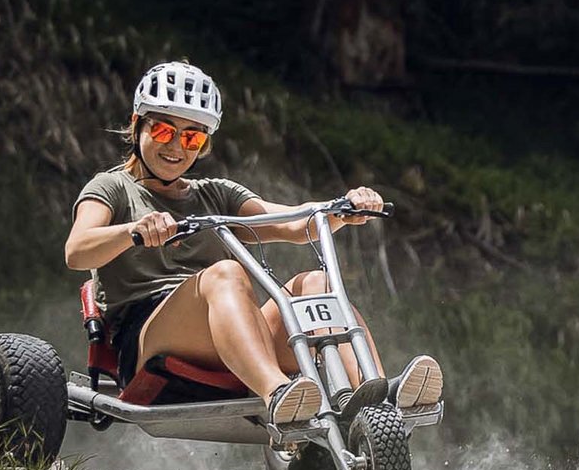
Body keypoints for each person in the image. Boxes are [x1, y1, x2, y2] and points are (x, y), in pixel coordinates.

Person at [64, 61, 442, 423]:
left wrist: (343, 209)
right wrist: (133, 232)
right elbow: (77, 251)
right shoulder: (112, 187)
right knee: (226, 274)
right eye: (164, 131)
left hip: (232, 336)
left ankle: (369, 396)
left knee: (315, 283)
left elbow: (294, 223)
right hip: (148, 341)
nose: (177, 147)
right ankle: (278, 393)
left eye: (192, 137)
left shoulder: (216, 195)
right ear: (137, 124)